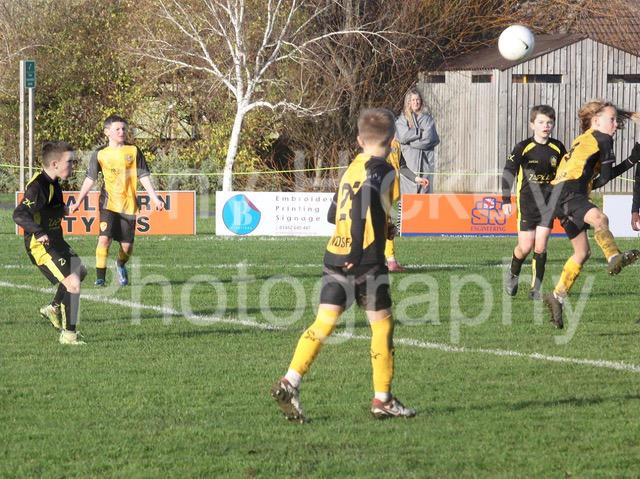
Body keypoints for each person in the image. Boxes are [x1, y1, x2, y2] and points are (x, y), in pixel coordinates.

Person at [271, 108, 416, 422]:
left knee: (323, 322)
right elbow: (363, 200)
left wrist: (380, 224)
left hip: (334, 254)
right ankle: (383, 399)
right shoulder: (383, 168)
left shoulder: (353, 167)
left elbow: (332, 213)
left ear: (359, 140)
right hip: (364, 259)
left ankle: (291, 381)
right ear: (393, 140)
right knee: (382, 325)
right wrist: (359, 243)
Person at [543, 100, 640, 328]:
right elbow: (604, 178)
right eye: (612, 120)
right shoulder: (603, 139)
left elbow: (594, 181)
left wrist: (630, 161)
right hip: (568, 194)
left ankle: (557, 296)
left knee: (582, 252)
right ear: (596, 121)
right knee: (600, 218)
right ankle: (613, 256)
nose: (615, 125)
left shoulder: (584, 140)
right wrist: (630, 161)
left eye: (616, 120)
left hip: (556, 195)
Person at [70, 114, 163, 286]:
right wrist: (78, 201)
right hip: (108, 204)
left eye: (124, 129)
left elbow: (143, 176)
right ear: (107, 132)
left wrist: (155, 198)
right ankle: (100, 279)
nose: (122, 132)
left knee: (127, 247)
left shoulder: (133, 151)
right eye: (117, 129)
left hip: (128, 205)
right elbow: (90, 179)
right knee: (104, 239)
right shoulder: (100, 154)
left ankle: (120, 264)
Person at [13, 141, 87, 345]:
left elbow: (49, 208)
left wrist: (64, 210)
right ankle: (69, 336)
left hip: (56, 239)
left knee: (80, 271)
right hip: (41, 246)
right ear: (55, 164)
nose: (73, 166)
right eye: (69, 162)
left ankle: (53, 308)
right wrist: (38, 232)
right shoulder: (38, 186)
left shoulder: (54, 183)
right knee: (73, 283)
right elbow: (19, 214)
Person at [501, 105, 567, 300]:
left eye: (549, 122)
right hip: (528, 203)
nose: (545, 126)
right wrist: (506, 199)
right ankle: (513, 273)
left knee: (541, 246)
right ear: (532, 125)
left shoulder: (558, 148)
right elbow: (508, 172)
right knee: (525, 247)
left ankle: (535, 289)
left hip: (548, 204)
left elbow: (566, 173)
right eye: (541, 122)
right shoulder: (523, 147)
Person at [385, 138, 429, 272]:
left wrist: (417, 179)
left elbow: (402, 166)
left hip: (391, 192)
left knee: (388, 226)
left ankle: (390, 260)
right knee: (377, 226)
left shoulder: (395, 143)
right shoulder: (376, 142)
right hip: (378, 191)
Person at [395, 88, 439, 194]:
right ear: (409, 102)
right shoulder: (402, 120)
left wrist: (409, 142)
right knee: (408, 198)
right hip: (408, 166)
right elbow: (403, 136)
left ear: (421, 101)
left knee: (424, 198)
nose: (416, 102)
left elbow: (429, 140)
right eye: (413, 100)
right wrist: (418, 132)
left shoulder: (428, 120)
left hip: (425, 166)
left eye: (418, 99)